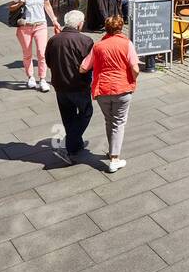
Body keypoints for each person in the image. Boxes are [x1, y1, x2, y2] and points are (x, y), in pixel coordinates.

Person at [78, 14, 139, 173]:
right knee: (119, 122)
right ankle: (114, 158)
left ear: (106, 28)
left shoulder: (98, 46)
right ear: (120, 27)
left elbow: (83, 68)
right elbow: (135, 68)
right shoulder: (127, 44)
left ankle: (112, 150)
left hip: (102, 89)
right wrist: (132, 79)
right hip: (122, 88)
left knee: (109, 120)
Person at [44, 9, 95, 164]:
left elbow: (48, 62)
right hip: (78, 85)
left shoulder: (53, 40)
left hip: (60, 85)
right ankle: (69, 145)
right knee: (86, 112)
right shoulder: (86, 41)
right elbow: (90, 65)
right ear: (79, 24)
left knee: (68, 117)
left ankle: (75, 144)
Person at [9, 0, 61, 91]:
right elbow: (11, 8)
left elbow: (47, 5)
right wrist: (20, 3)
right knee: (27, 54)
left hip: (40, 25)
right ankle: (30, 77)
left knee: (42, 53)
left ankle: (42, 79)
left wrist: (54, 20)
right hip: (25, 27)